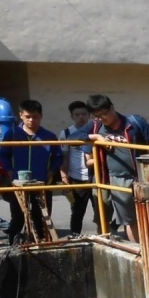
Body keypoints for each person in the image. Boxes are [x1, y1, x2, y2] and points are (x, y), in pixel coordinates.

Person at [85, 94, 149, 244]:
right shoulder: (96, 126)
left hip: (138, 178)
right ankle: (139, 250)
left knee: (148, 219)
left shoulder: (135, 122)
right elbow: (72, 138)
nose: (102, 119)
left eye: (104, 114)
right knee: (126, 220)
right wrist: (97, 138)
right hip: (108, 179)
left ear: (112, 107)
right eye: (97, 116)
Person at [0, 99, 66, 243]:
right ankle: (13, 243)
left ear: (40, 116)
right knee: (18, 216)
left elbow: (58, 157)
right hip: (18, 183)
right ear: (21, 115)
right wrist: (9, 170)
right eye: (28, 117)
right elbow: (3, 154)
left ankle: (40, 242)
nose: (31, 120)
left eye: (35, 117)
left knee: (41, 216)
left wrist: (51, 171)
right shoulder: (12, 134)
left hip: (42, 182)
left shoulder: (49, 136)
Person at [60, 100, 106, 238]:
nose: (81, 117)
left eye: (84, 114)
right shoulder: (67, 133)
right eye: (77, 114)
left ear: (89, 115)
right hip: (76, 179)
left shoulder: (96, 130)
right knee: (77, 211)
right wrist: (64, 178)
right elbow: (64, 158)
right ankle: (74, 236)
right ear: (72, 116)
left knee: (100, 210)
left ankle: (104, 235)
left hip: (95, 176)